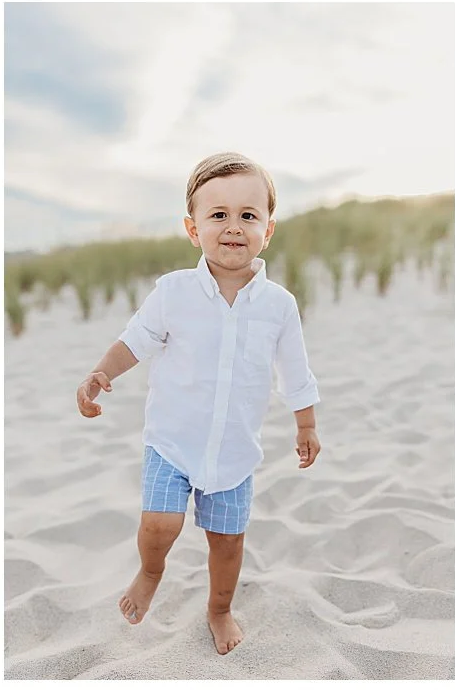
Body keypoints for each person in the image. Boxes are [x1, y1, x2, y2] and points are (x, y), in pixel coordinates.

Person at [73, 154, 320, 656]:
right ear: (193, 228)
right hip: (172, 441)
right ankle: (150, 571)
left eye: (248, 216)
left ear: (268, 230)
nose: (234, 227)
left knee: (226, 544)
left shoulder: (279, 306)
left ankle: (219, 608)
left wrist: (305, 424)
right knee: (159, 524)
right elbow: (135, 340)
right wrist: (102, 372)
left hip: (233, 454)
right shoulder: (174, 292)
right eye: (218, 215)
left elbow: (295, 370)